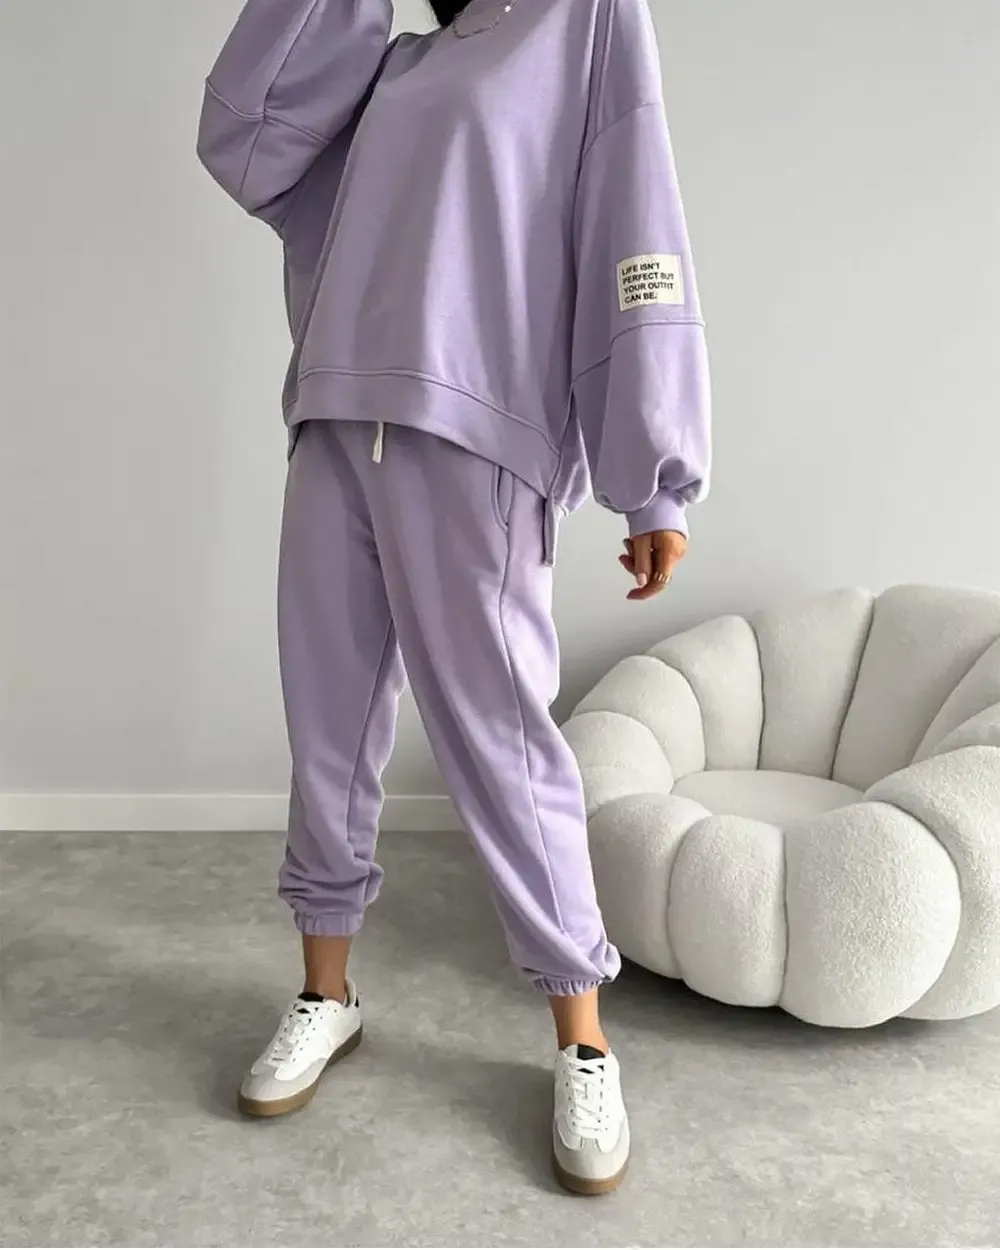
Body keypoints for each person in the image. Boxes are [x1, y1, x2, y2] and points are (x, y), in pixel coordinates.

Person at [197, 0, 710, 1196]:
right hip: (334, 419)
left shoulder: (583, 20)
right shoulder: (388, 61)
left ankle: (582, 1038)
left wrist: (652, 477)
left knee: (502, 741)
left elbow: (635, 216)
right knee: (328, 732)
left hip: (477, 443)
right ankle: (325, 993)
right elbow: (248, 137)